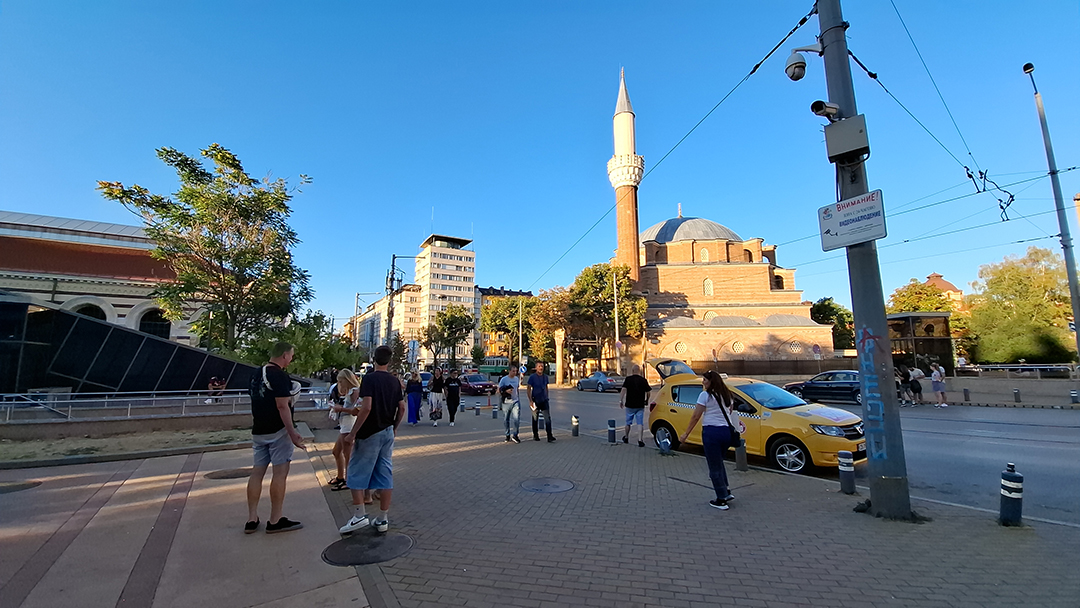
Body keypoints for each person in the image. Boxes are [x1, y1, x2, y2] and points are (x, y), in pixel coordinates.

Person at [340, 345, 406, 535]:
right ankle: (383, 518)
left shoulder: (368, 379)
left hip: (369, 433)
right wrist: (394, 428)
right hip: (387, 431)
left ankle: (359, 515)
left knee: (355, 471)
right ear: (389, 360)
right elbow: (401, 408)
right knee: (385, 474)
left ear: (373, 359)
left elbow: (366, 407)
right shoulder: (395, 382)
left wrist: (353, 433)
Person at [245, 341, 306, 534]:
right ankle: (275, 519)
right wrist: (292, 432)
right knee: (280, 474)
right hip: (278, 431)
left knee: (257, 473)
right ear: (284, 355)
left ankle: (252, 518)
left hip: (259, 430)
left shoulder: (256, 374)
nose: (292, 358)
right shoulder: (279, 375)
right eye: (291, 355)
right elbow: (282, 406)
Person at [679, 370, 744, 510]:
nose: (703, 382)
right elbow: (730, 411)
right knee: (719, 462)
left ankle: (721, 499)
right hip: (726, 432)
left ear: (711, 382)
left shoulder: (705, 396)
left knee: (713, 466)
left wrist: (686, 434)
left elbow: (696, 416)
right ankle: (725, 490)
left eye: (705, 380)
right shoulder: (727, 395)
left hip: (711, 432)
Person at [328, 369, 361, 491]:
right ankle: (341, 476)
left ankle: (348, 480)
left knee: (347, 454)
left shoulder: (355, 392)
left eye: (341, 381)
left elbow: (356, 411)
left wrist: (340, 409)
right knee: (336, 451)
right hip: (344, 424)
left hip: (349, 425)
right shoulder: (349, 392)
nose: (339, 384)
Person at [619, 364, 651, 447]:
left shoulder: (628, 379)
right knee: (640, 423)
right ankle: (640, 440)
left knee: (628, 423)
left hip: (629, 405)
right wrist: (646, 400)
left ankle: (626, 437)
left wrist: (621, 400)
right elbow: (648, 392)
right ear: (639, 371)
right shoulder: (643, 380)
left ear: (632, 371)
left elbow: (623, 390)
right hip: (640, 405)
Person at [527, 361, 555, 442]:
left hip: (544, 400)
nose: (541, 368)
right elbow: (528, 389)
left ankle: (549, 435)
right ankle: (535, 435)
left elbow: (546, 387)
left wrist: (547, 396)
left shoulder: (545, 377)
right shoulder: (532, 377)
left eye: (542, 366)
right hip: (535, 400)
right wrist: (530, 401)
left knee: (548, 419)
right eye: (539, 366)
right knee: (535, 418)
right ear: (536, 368)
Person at [499, 366, 522, 443]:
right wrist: (506, 391)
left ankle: (515, 435)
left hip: (515, 401)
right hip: (506, 402)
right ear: (509, 371)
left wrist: (518, 398)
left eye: (516, 371)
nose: (515, 373)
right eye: (513, 371)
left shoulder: (516, 379)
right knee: (506, 419)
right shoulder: (504, 379)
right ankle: (507, 434)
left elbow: (517, 389)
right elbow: (498, 390)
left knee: (516, 419)